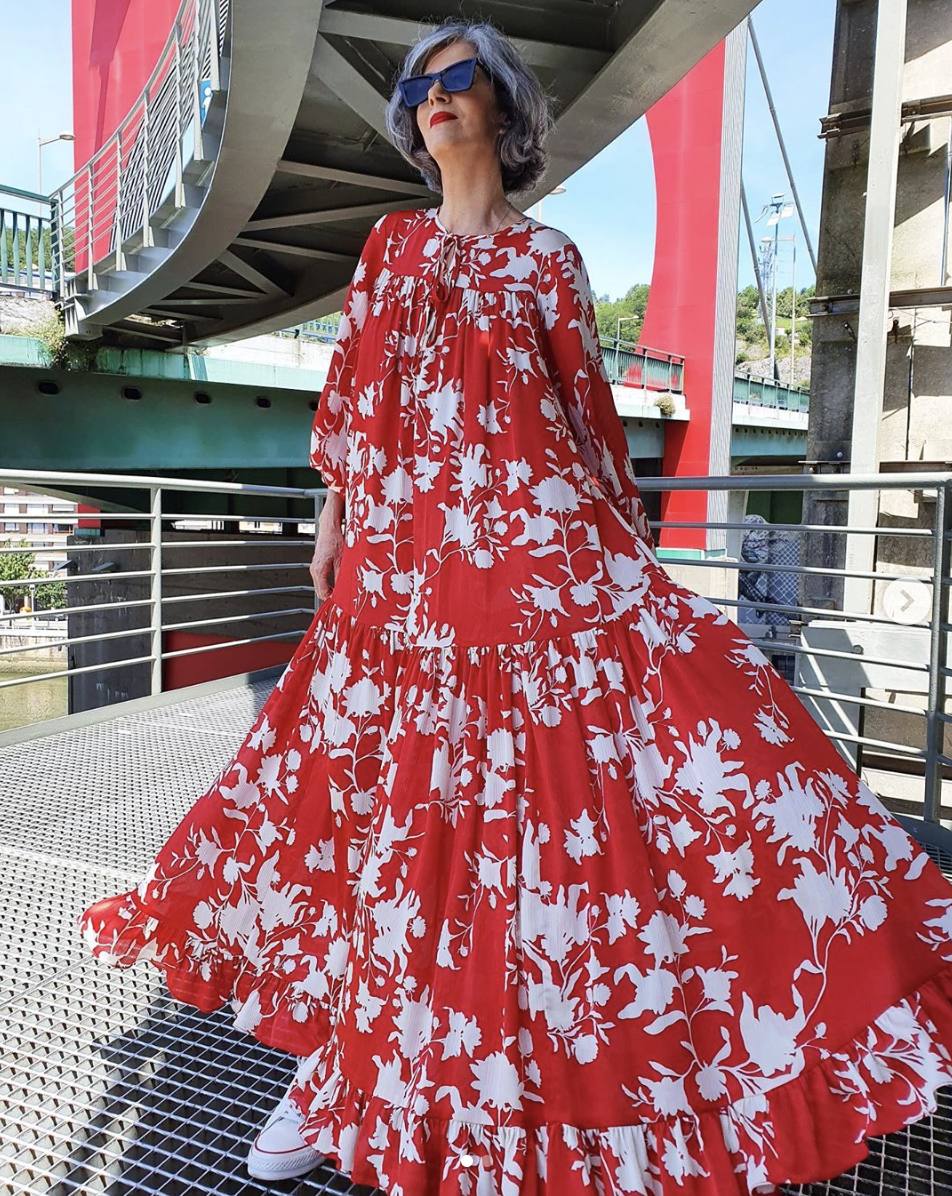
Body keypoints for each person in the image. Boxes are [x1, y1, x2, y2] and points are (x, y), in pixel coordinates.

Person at [77, 19, 952, 1195]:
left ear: (502, 105)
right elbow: (355, 398)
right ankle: (344, 1060)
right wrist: (335, 515)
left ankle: (476, 1069)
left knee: (554, 822)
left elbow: (585, 417)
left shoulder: (550, 260)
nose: (432, 96)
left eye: (457, 78)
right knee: (378, 806)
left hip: (535, 558)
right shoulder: (388, 247)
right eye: (416, 85)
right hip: (404, 567)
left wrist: (627, 556)